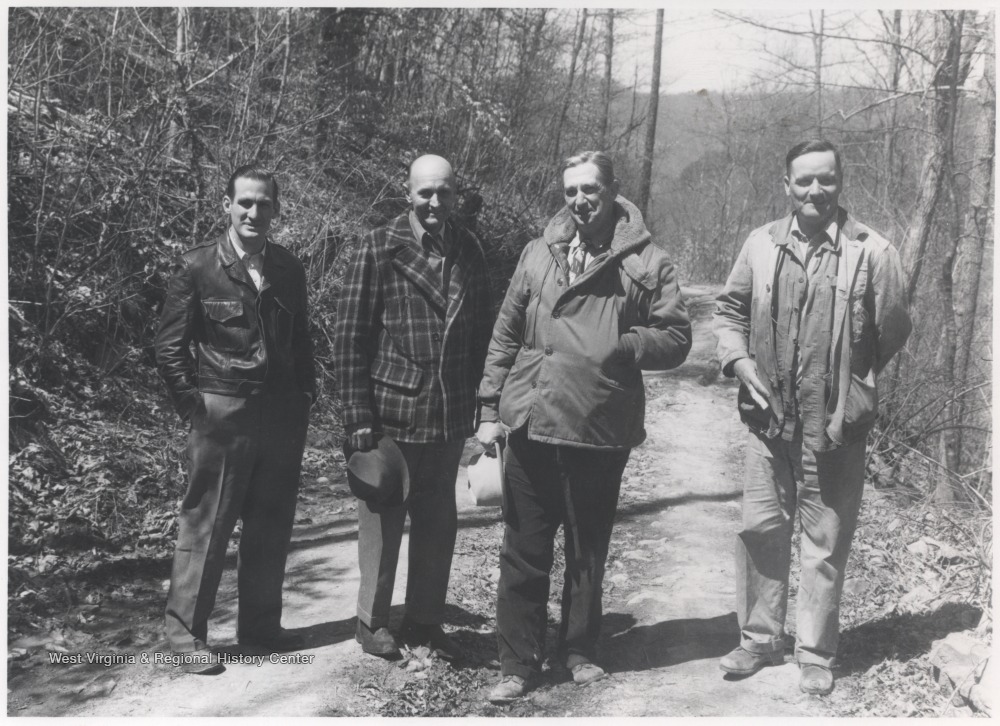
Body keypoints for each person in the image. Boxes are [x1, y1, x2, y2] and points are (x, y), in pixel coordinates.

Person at [477, 151, 692, 703]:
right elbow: (505, 334)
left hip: (598, 426)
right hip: (530, 417)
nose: (579, 200)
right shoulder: (537, 252)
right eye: (570, 190)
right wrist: (487, 410)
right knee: (523, 547)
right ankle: (517, 663)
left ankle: (579, 650)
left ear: (613, 191)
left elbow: (676, 337)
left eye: (590, 189)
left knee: (586, 546)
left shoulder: (647, 261)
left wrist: (623, 344)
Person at [713, 139, 912, 695]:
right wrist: (739, 359)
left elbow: (892, 328)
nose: (815, 191)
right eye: (804, 181)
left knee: (825, 541)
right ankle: (758, 639)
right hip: (767, 421)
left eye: (825, 180)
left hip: (835, 427)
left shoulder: (873, 250)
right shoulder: (760, 244)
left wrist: (852, 383)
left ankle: (816, 653)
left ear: (840, 182)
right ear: (787, 186)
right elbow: (728, 311)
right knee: (760, 529)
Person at [332, 154, 493, 661]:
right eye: (425, 193)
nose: (435, 203)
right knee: (381, 522)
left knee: (438, 524)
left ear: (454, 194)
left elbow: (486, 336)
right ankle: (371, 622)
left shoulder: (469, 249)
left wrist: (486, 406)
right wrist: (357, 416)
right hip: (391, 416)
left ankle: (425, 620)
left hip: (448, 417)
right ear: (408, 194)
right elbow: (350, 337)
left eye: (444, 192)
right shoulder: (379, 248)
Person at [155, 165, 315, 674]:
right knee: (207, 522)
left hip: (282, 415)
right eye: (244, 202)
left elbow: (301, 341)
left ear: (276, 209)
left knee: (271, 525)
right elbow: (168, 346)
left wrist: (305, 395)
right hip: (222, 410)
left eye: (264, 203)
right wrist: (194, 407)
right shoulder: (199, 266)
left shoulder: (289, 268)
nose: (254, 212)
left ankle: (261, 629)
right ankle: (183, 638)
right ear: (226, 204)